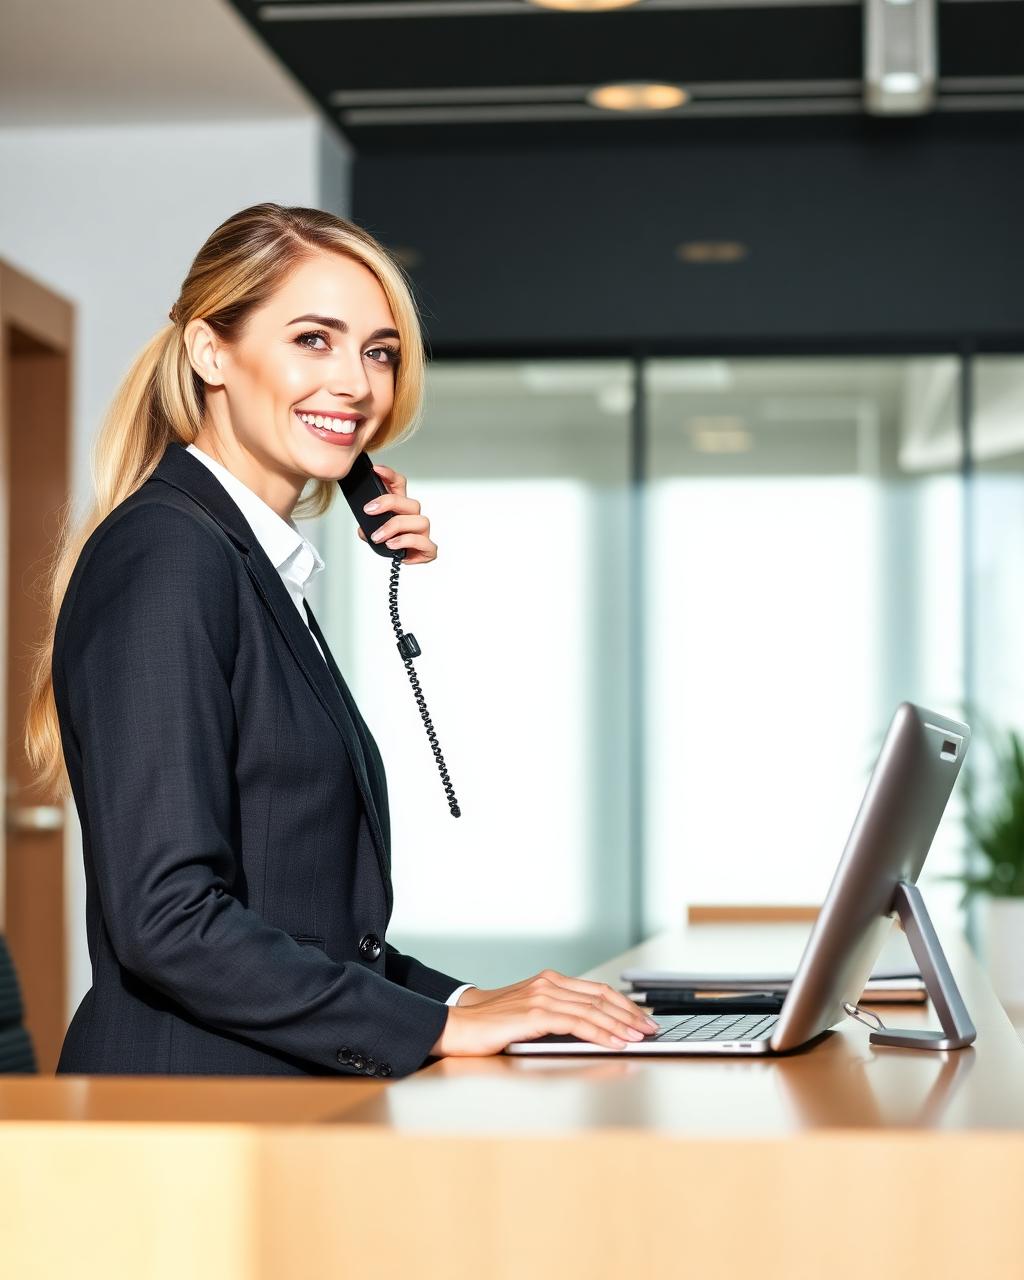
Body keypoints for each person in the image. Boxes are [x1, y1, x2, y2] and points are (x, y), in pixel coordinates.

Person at [24, 202, 658, 1078]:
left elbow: (303, 925)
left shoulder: (244, 558)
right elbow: (168, 920)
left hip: (263, 1102)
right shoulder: (170, 553)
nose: (357, 383)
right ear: (212, 352)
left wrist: (467, 1003)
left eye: (378, 352)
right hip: (192, 1118)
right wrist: (434, 1031)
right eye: (313, 340)